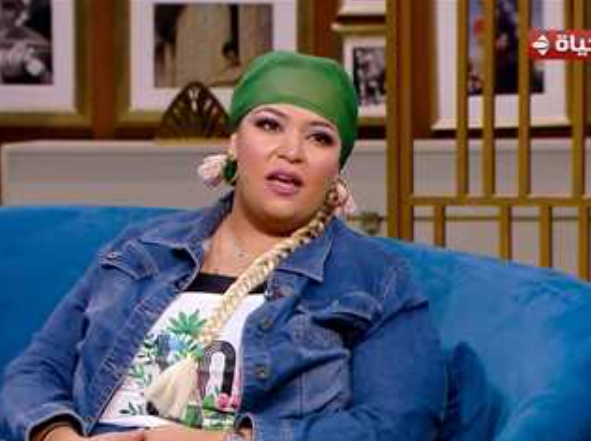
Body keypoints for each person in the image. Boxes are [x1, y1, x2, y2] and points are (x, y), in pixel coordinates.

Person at [0, 51, 445, 441]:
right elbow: (35, 371)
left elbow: (400, 424)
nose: (291, 151)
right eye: (269, 124)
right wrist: (60, 437)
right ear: (234, 142)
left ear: (336, 168)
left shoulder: (375, 279)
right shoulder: (141, 248)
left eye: (319, 137)